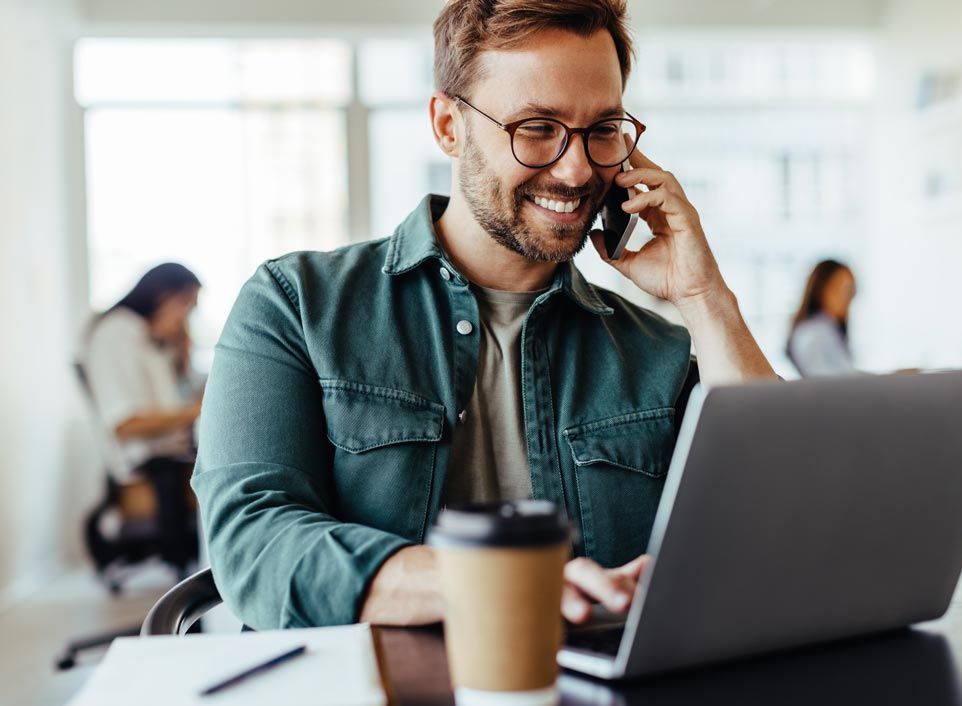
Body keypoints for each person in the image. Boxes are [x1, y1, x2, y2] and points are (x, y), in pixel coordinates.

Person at [193, 0, 776, 631]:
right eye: (537, 127)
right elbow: (255, 541)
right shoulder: (296, 305)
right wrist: (499, 581)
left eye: (603, 129)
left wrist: (704, 297)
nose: (577, 169)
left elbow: (784, 518)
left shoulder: (656, 353)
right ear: (449, 125)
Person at [82, 262, 203, 569]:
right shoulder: (117, 333)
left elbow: (173, 399)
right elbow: (126, 424)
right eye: (185, 306)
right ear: (163, 295)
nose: (185, 319)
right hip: (149, 466)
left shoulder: (151, 341)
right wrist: (197, 410)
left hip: (168, 456)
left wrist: (182, 356)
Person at [786, 259, 858, 377]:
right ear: (820, 289)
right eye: (841, 288)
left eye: (851, 290)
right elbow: (835, 382)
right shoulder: (815, 332)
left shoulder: (828, 328)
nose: (847, 298)